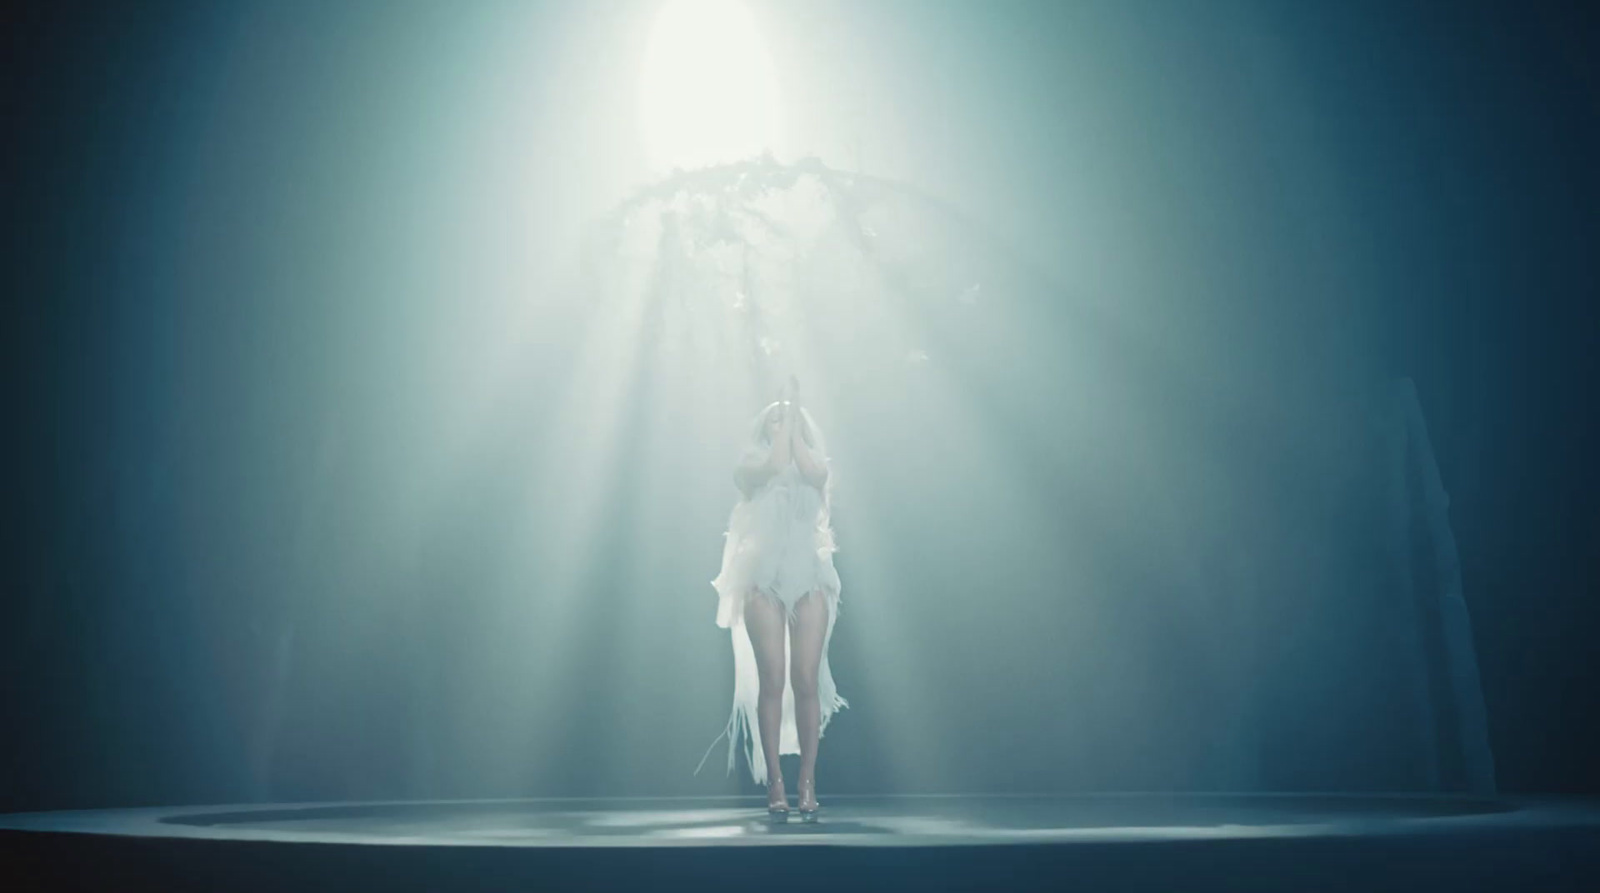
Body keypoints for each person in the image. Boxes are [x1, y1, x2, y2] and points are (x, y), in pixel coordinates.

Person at [698, 376, 846, 821]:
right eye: (776, 418)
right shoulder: (750, 464)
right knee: (773, 679)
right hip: (763, 578)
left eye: (791, 418)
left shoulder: (814, 463)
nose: (783, 423)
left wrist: (796, 419)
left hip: (808, 577)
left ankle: (807, 779)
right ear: (766, 426)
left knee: (806, 677)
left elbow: (812, 470)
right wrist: (786, 418)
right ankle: (776, 783)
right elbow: (776, 461)